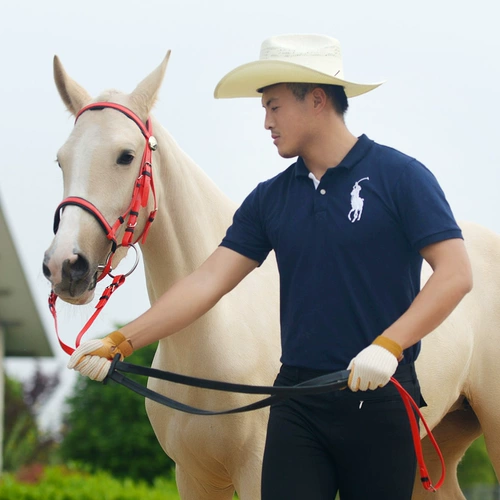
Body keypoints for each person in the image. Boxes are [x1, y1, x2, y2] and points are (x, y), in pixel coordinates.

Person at [68, 34, 473, 499]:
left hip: (381, 397)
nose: (266, 122)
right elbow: (206, 281)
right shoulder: (270, 199)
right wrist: (121, 341)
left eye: (274, 106)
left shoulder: (400, 177)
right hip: (296, 403)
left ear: (317, 100)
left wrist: (389, 345)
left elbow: (456, 273)